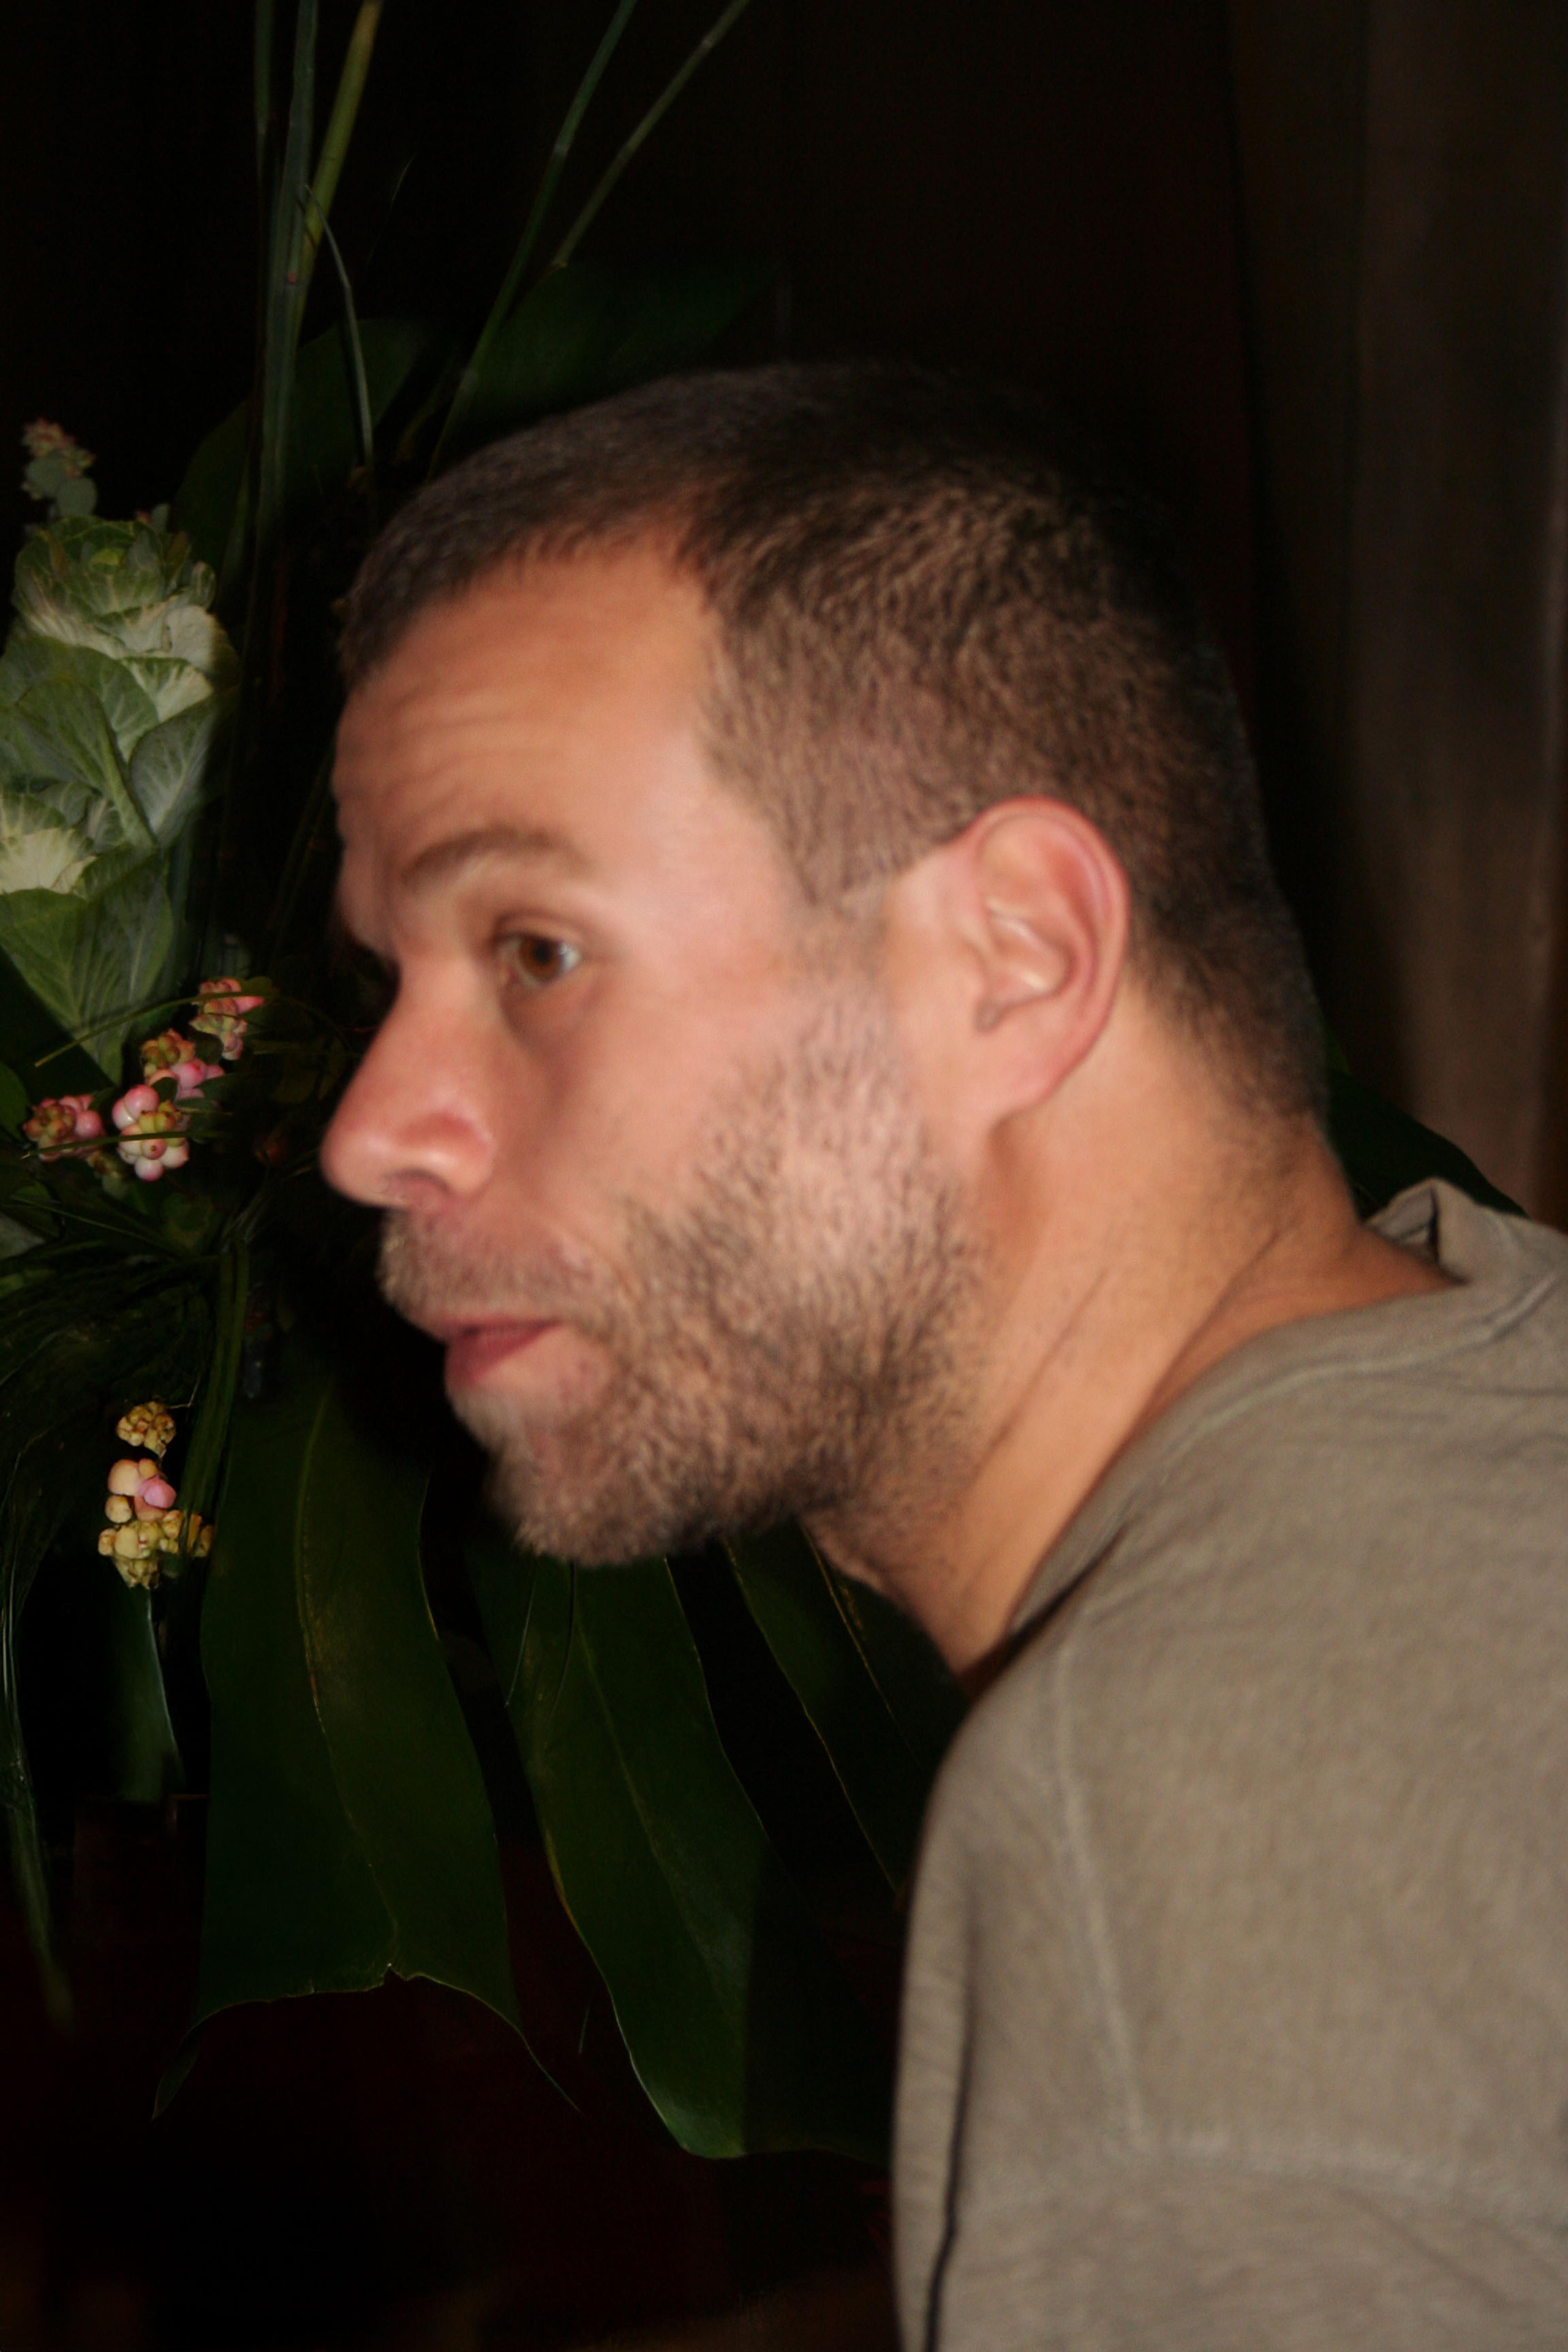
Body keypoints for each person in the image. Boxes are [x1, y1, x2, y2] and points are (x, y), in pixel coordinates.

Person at [320, 365, 1568, 2348]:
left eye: (535, 952)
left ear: (1017, 958)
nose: (372, 1133)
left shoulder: (1172, 1815)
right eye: (391, 980)